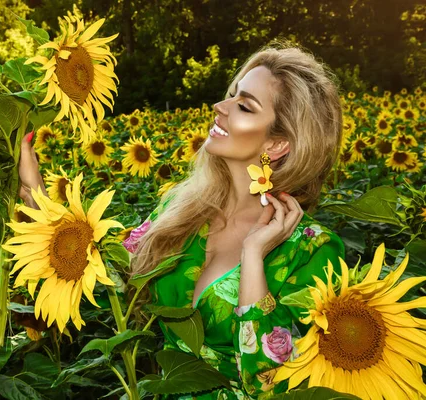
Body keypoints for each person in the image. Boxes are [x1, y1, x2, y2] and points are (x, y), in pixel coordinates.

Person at [19, 42, 346, 399]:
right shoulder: (182, 208)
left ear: (277, 145)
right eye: (231, 94)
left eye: (244, 106)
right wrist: (37, 198)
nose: (220, 107)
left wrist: (253, 258)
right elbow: (108, 279)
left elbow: (276, 383)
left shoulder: (313, 250)